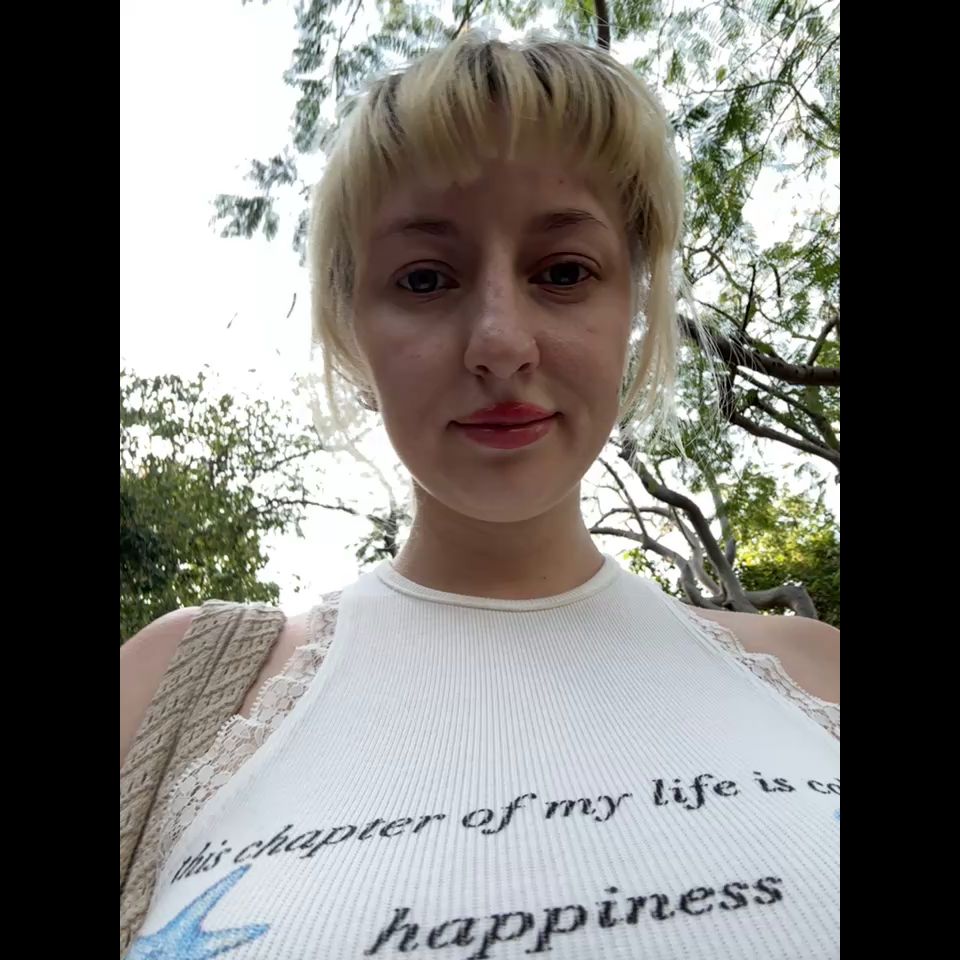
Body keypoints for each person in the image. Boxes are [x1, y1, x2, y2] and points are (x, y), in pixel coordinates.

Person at [120, 34, 839, 959]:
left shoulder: (818, 673)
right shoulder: (172, 688)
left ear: (632, 303)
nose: (500, 343)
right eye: (425, 279)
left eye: (564, 272)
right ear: (352, 326)